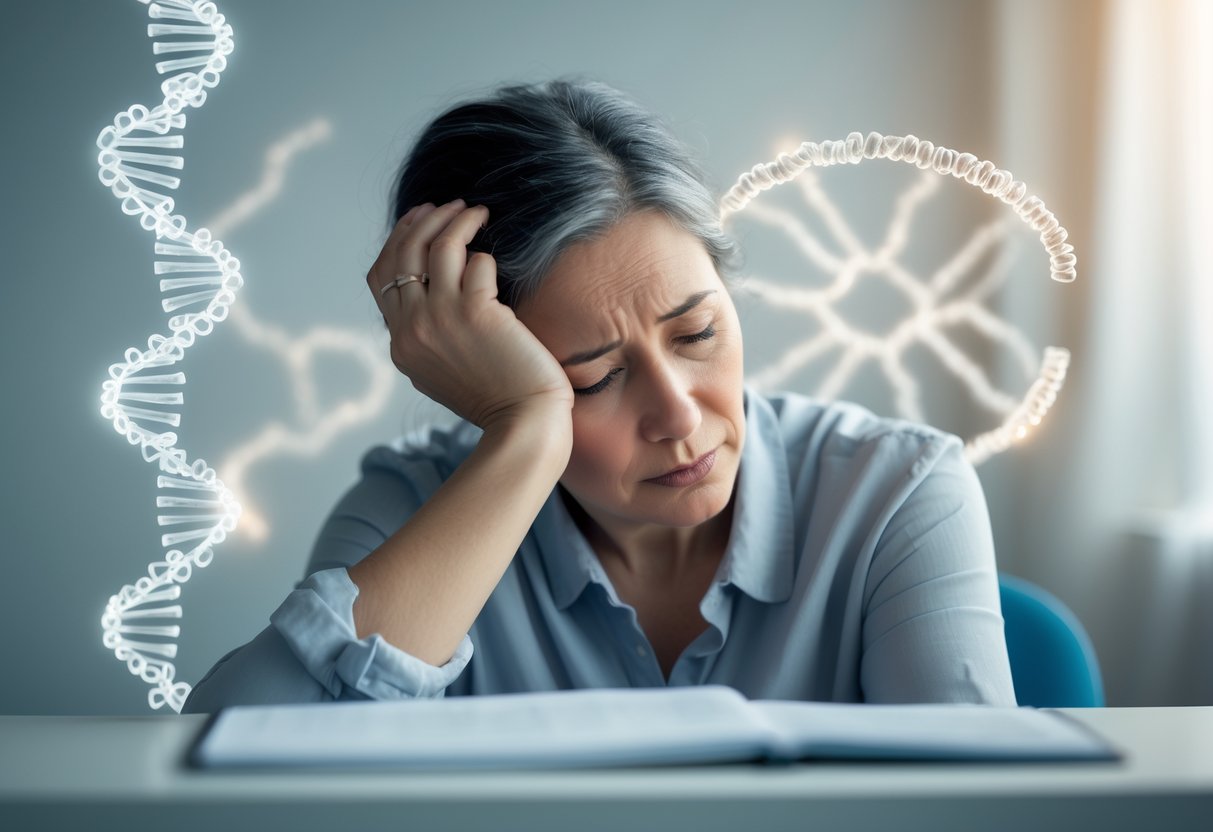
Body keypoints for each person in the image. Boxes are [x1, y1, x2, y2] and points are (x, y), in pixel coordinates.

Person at [182, 78, 1015, 712]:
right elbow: (232, 761)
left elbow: (970, 808)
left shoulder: (897, 492)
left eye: (696, 335)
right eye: (592, 379)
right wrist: (525, 439)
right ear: (481, 372)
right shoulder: (412, 506)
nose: (681, 415)